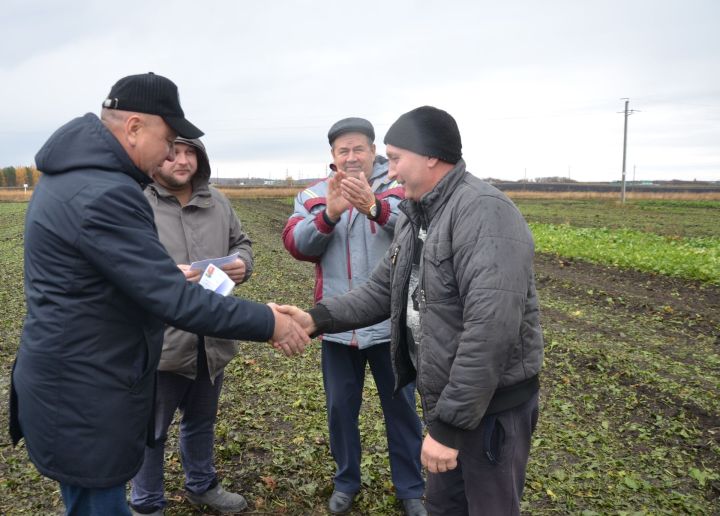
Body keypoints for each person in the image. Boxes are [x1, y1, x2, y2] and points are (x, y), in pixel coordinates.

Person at [9, 72, 308, 516]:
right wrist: (271, 321)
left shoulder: (76, 177)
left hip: (73, 386)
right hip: (85, 398)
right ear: (133, 127)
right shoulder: (105, 193)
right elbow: (174, 299)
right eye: (168, 140)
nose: (172, 153)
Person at [280, 106, 544, 515]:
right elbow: (381, 289)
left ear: (431, 156)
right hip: (447, 403)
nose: (392, 170)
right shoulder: (416, 213)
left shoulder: (483, 211)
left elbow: (490, 331)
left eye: (396, 158)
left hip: (491, 408)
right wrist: (316, 318)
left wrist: (449, 428)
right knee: (442, 506)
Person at [282, 118, 426, 515]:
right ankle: (346, 481)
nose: (351, 157)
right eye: (343, 150)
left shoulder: (399, 189)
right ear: (332, 156)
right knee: (340, 410)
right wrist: (329, 214)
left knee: (402, 410)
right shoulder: (313, 194)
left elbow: (416, 231)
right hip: (337, 327)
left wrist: (373, 207)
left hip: (390, 325)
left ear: (373, 150)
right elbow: (296, 244)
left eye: (358, 149)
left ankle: (411, 489)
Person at [129, 136, 254, 515]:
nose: (182, 161)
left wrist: (242, 264)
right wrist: (164, 277)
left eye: (190, 154)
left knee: (202, 421)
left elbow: (242, 242)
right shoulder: (136, 203)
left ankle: (201, 484)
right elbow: (123, 266)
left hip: (212, 337)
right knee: (152, 431)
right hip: (160, 342)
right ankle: (147, 503)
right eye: (174, 153)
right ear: (157, 158)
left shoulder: (217, 201)